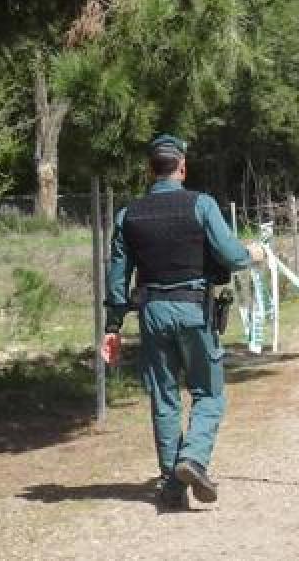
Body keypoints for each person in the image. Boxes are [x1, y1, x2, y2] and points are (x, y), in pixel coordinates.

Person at [103, 134, 264, 509]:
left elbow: (117, 279)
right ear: (182, 166)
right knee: (208, 393)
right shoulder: (201, 205)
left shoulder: (128, 215)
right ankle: (192, 459)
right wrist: (251, 254)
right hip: (194, 310)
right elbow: (231, 255)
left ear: (150, 169)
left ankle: (171, 486)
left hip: (152, 313)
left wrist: (112, 326)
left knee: (164, 398)